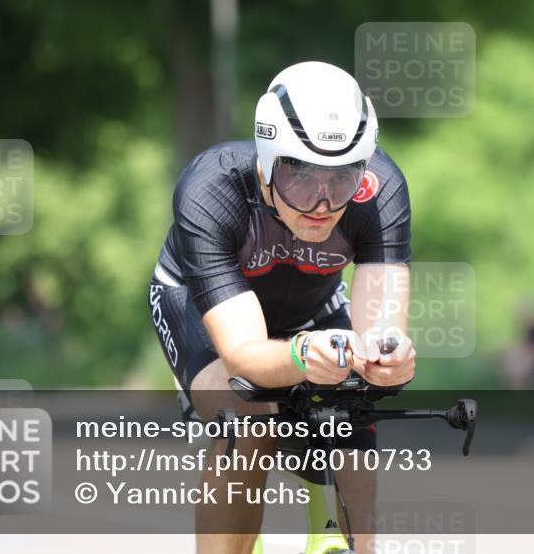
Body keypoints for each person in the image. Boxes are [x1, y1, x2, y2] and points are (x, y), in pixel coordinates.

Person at [147, 61, 415, 554]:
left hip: (313, 310)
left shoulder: (382, 190)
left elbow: (382, 331)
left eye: (341, 180)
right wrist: (298, 358)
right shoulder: (211, 190)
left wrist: (388, 360)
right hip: (204, 308)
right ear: (267, 163)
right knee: (249, 420)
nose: (321, 203)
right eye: (300, 179)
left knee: (354, 414)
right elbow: (245, 354)